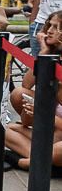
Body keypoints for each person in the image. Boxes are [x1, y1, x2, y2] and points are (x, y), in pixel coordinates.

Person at [5, 10, 62, 171]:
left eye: (56, 27)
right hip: (53, 132)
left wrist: (42, 112)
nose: (49, 30)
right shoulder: (53, 54)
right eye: (49, 25)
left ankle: (32, 161)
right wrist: (43, 53)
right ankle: (44, 161)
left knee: (59, 148)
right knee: (5, 131)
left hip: (57, 132)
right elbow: (26, 83)